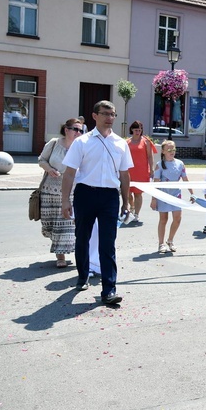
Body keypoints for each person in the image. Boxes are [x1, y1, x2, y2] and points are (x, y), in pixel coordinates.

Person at [61, 100, 133, 305]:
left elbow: (125, 175)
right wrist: (65, 200)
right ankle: (82, 275)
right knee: (82, 237)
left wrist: (126, 202)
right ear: (95, 116)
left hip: (110, 196)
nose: (110, 118)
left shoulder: (120, 143)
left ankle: (109, 289)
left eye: (113, 114)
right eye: (105, 114)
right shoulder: (82, 142)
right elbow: (69, 174)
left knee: (108, 243)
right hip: (85, 194)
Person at [38, 118, 84, 268]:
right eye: (76, 129)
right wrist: (49, 169)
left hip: (72, 190)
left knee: (66, 225)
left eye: (81, 130)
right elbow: (41, 160)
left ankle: (61, 256)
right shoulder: (53, 143)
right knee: (51, 224)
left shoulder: (82, 146)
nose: (79, 133)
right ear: (66, 129)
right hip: (50, 191)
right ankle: (61, 251)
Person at [126, 120, 156, 223]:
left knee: (138, 194)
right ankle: (132, 206)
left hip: (141, 171)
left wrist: (151, 169)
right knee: (127, 193)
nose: (137, 132)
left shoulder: (146, 141)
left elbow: (150, 156)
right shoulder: (127, 142)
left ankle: (136, 214)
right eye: (135, 130)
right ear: (132, 130)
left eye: (139, 130)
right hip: (129, 171)